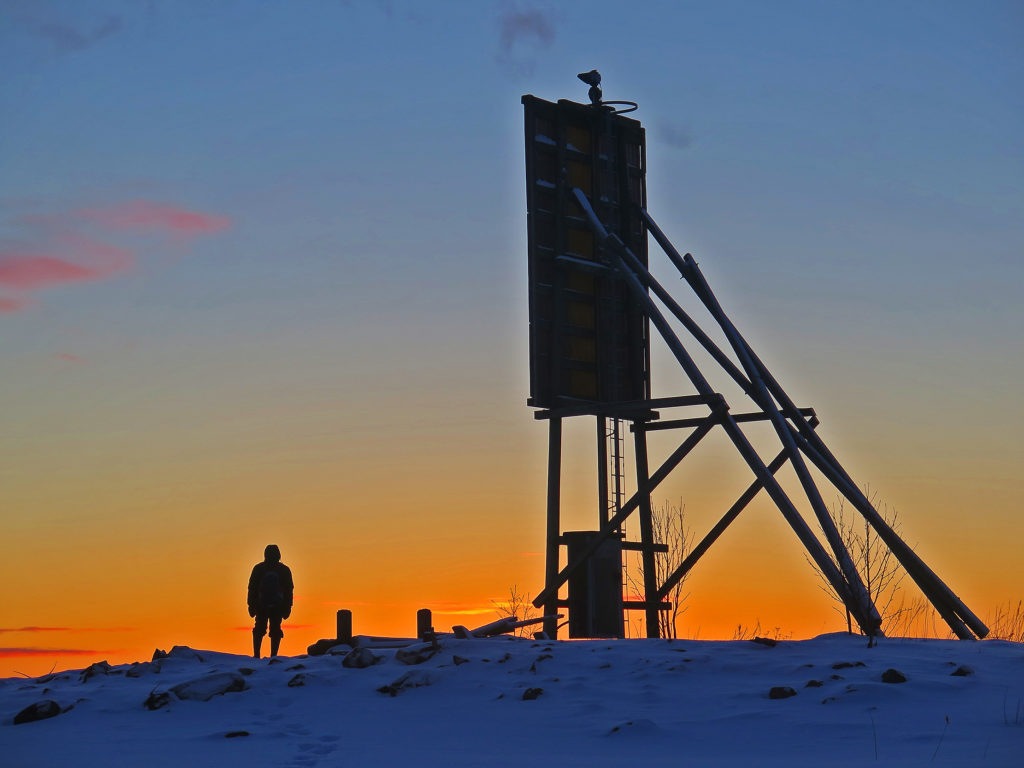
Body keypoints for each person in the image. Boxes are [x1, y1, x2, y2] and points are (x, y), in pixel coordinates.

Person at [247, 544, 294, 658]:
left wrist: (251, 605)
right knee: (274, 629)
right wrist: (288, 607)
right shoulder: (284, 570)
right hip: (276, 605)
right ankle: (273, 656)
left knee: (261, 628)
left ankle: (257, 655)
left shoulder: (259, 568)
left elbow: (251, 588)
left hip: (262, 605)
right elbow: (289, 591)